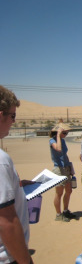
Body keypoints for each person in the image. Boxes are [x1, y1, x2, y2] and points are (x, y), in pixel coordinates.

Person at [0, 85, 33, 263]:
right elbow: (6, 222)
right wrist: (25, 261)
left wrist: (17, 185)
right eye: (12, 115)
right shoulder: (1, 160)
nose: (14, 121)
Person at [49, 122, 76, 222]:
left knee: (69, 190)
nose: (65, 135)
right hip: (58, 170)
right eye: (64, 133)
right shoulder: (52, 141)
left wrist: (70, 167)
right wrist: (58, 136)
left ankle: (65, 210)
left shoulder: (63, 141)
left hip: (66, 168)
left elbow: (65, 154)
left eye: (66, 133)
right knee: (59, 193)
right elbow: (59, 149)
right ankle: (58, 214)